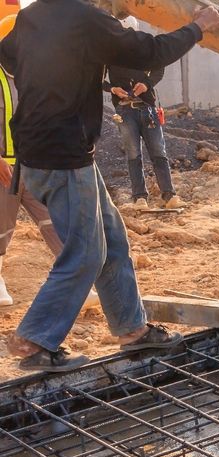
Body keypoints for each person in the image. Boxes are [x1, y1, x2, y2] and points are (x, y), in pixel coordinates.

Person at [0, 0, 219, 372]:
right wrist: (198, 26)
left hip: (38, 151)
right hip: (63, 154)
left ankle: (132, 329)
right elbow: (150, 52)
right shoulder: (88, 19)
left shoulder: (32, 15)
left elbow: (9, 59)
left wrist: (75, 67)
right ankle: (35, 339)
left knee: (112, 237)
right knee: (86, 253)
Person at [0, 14, 99, 310]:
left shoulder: (29, 73)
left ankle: (77, 282)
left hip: (33, 160)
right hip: (3, 165)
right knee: (2, 225)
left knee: (55, 220)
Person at [104, 15, 181, 210]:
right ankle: (140, 198)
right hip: (125, 111)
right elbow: (96, 78)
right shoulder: (107, 54)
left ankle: (168, 195)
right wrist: (112, 89)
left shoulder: (144, 50)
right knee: (133, 155)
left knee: (158, 152)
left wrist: (146, 85)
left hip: (147, 108)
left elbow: (159, 69)